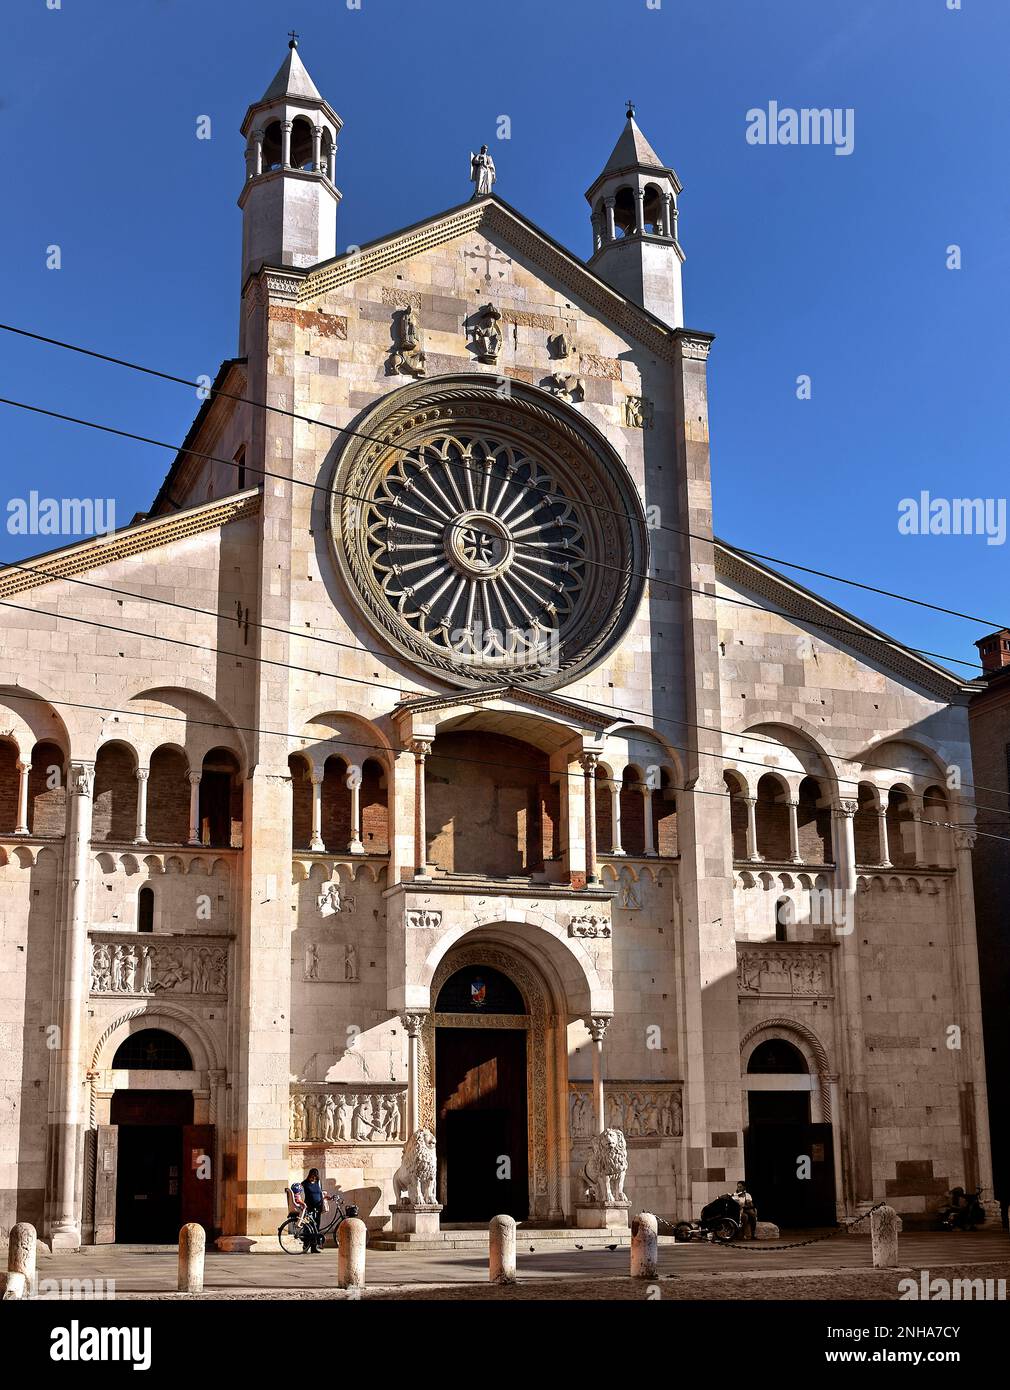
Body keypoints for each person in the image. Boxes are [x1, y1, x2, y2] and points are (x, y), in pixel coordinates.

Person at [301, 1168, 332, 1253]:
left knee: (316, 1228)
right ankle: (305, 1246)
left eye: (315, 1176)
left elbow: (319, 1193)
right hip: (309, 1209)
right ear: (309, 1175)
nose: (313, 1178)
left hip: (317, 1209)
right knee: (307, 1228)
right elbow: (298, 1191)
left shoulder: (318, 1183)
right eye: (312, 1176)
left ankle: (314, 1247)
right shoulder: (305, 1183)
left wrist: (325, 1197)